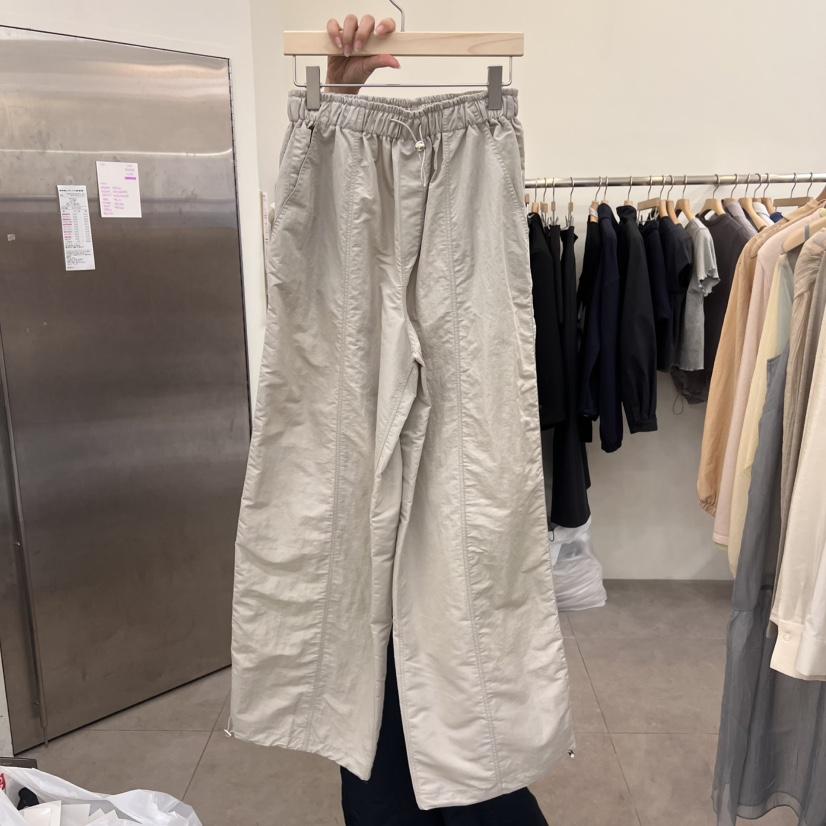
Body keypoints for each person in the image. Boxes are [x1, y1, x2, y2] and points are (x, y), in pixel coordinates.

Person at [322, 14, 550, 825]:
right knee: (361, 583)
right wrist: (339, 107)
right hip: (342, 149)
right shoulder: (328, 152)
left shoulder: (484, 152)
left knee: (467, 592)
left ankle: (471, 784)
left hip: (474, 161)